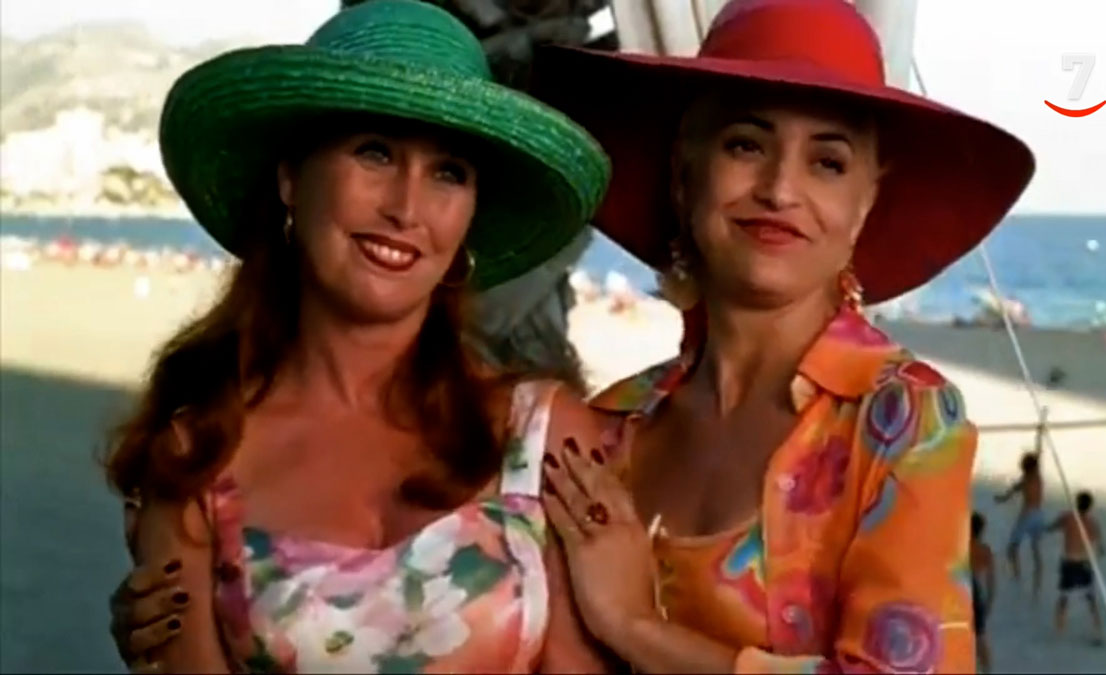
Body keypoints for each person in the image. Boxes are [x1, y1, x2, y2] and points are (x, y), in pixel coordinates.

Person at [101, 1, 613, 672]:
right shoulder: (195, 458)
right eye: (375, 152)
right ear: (291, 177)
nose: (406, 207)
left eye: (449, 172)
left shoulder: (546, 438)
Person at [530, 0, 1034, 671]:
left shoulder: (901, 420)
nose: (779, 189)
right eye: (746, 144)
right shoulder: (607, 424)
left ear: (865, 204)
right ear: (685, 174)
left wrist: (635, 626)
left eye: (827, 162)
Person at [1046, 491, 1106, 646]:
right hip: (1084, 563)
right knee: (1090, 598)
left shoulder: (1067, 517)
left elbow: (1050, 528)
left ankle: (1059, 630)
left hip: (1069, 562)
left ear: (1076, 503)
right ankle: (1097, 631)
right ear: (1090, 506)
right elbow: (1101, 549)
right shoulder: (1093, 524)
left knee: (1064, 597)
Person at [995, 451, 1046, 596]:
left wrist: (1003, 498)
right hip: (1039, 515)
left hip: (1027, 515)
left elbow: (1015, 489)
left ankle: (1017, 578)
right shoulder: (1038, 478)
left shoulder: (1026, 479)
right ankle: (1038, 582)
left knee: (1012, 548)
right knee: (1036, 549)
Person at [970, 512, 997, 673]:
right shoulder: (985, 551)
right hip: (975, 592)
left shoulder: (959, 546)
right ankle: (987, 670)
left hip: (959, 590)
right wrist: (990, 602)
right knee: (980, 635)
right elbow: (991, 581)